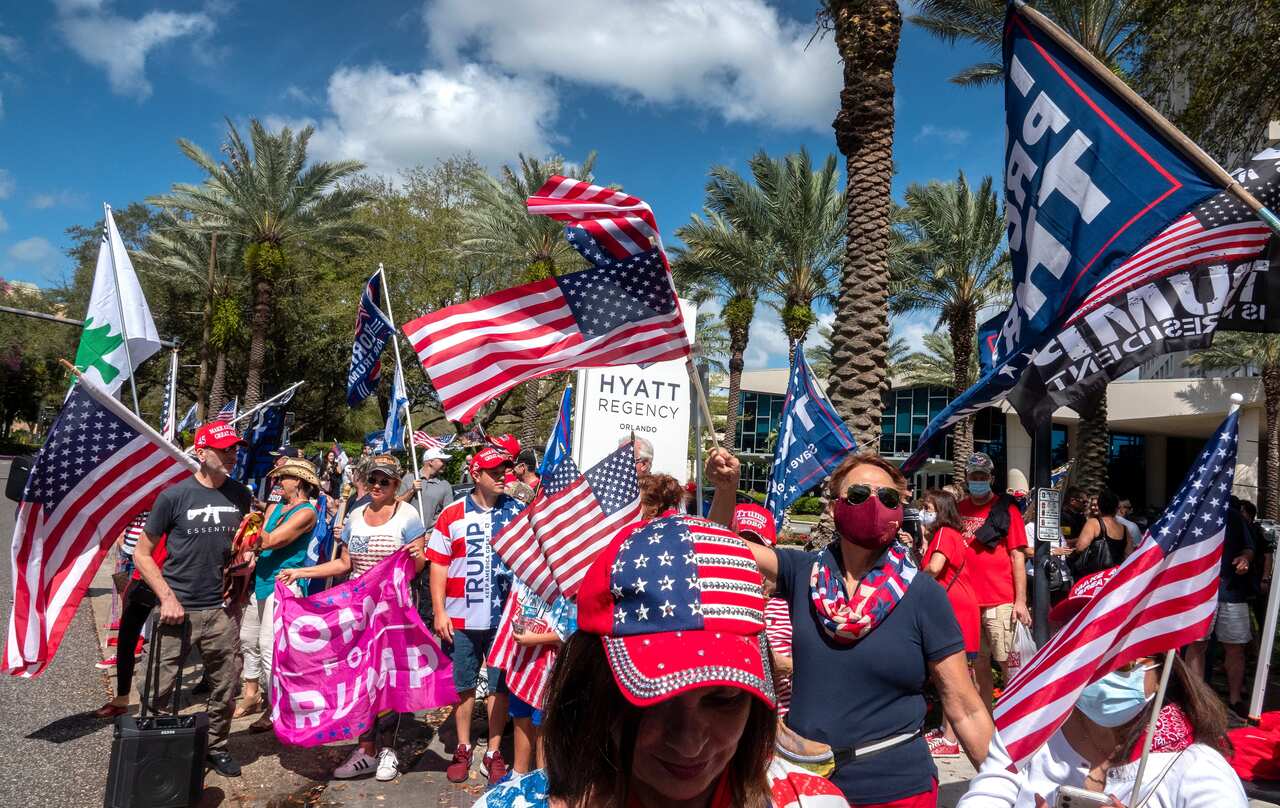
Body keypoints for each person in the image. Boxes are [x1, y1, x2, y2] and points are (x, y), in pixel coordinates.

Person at [474, 513, 851, 808]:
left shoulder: (812, 802)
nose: (689, 743)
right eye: (653, 699)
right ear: (592, 687)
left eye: (724, 699)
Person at [709, 448, 992, 806]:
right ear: (833, 507)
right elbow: (721, 547)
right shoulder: (802, 573)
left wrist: (1009, 786)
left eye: (888, 497)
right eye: (859, 494)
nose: (874, 505)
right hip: (801, 786)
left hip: (895, 789)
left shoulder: (923, 595)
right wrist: (725, 490)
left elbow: (965, 707)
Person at [959, 569, 1247, 808]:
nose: (1096, 671)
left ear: (1161, 668)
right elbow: (985, 794)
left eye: (1120, 660)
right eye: (1082, 654)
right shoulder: (1029, 733)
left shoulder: (1196, 769)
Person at [277, 454, 427, 781]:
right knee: (361, 680)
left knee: (387, 681)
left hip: (394, 611)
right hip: (358, 613)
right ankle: (366, 748)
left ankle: (387, 750)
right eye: (372, 479)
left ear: (395, 484)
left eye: (384, 481)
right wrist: (301, 571)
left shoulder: (409, 515)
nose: (376, 485)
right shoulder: (356, 516)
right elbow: (344, 564)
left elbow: (416, 569)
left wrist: (419, 557)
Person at [132, 421, 253, 778]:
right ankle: (157, 752)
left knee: (225, 685)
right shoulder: (174, 496)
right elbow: (142, 554)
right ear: (201, 453)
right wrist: (167, 598)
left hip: (221, 611)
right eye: (224, 449)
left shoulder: (240, 495)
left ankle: (215, 747)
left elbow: (242, 545)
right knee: (157, 686)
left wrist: (244, 565)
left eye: (234, 449)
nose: (232, 455)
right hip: (177, 609)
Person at [428, 447, 524, 785]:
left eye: (505, 470)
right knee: (463, 686)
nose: (502, 476)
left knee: (499, 687)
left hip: (504, 619)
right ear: (475, 474)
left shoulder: (517, 512)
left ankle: (494, 751)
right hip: (460, 618)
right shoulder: (451, 514)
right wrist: (439, 611)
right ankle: (464, 745)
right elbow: (438, 564)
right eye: (494, 471)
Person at [236, 458, 319, 731]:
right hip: (261, 579)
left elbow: (272, 540)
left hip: (284, 583)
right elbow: (262, 535)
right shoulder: (276, 506)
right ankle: (253, 695)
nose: (278, 482)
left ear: (299, 481)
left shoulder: (307, 512)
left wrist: (240, 533)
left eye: (284, 477)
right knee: (248, 639)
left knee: (270, 648)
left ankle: (278, 710)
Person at [955, 452, 1031, 712]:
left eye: (982, 476)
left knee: (1007, 664)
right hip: (967, 602)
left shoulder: (1006, 509)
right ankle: (987, 719)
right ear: (966, 478)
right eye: (974, 476)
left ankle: (1013, 718)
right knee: (979, 665)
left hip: (999, 601)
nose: (978, 480)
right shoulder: (958, 509)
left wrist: (1020, 601)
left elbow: (1017, 556)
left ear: (991, 478)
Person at [919, 488, 981, 759]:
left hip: (954, 608)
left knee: (952, 674)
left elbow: (934, 568)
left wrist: (911, 583)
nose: (924, 511)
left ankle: (951, 738)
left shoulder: (944, 533)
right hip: (959, 606)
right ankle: (948, 729)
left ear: (941, 510)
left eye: (928, 506)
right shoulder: (949, 534)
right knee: (957, 672)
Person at [1185, 503, 1255, 717]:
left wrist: (1245, 558)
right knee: (1197, 644)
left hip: (1230, 591)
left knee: (1236, 646)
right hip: (1199, 590)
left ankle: (1235, 699)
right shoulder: (1190, 511)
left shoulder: (1234, 517)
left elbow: (1249, 548)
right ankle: (1196, 699)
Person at [734, 503, 794, 717]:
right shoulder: (722, 604)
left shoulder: (790, 603)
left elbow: (819, 661)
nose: (750, 555)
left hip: (783, 720)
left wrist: (785, 664)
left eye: (756, 546)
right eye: (742, 543)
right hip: (738, 720)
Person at [94, 513, 153, 717]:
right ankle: (122, 698)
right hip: (131, 555)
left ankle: (153, 702)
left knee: (160, 636)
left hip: (161, 563)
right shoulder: (139, 486)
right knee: (127, 633)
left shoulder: (171, 490)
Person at [1071, 490, 1127, 576]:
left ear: (1100, 506)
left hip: (1096, 576)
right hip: (1115, 576)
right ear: (1116, 508)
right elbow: (1128, 554)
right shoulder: (1124, 529)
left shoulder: (1093, 523)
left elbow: (1080, 547)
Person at [398, 447, 455, 525]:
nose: (445, 464)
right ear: (431, 462)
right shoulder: (409, 478)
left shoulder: (445, 484)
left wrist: (433, 532)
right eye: (442, 461)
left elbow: (449, 513)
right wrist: (412, 490)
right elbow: (396, 504)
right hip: (408, 532)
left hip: (432, 534)